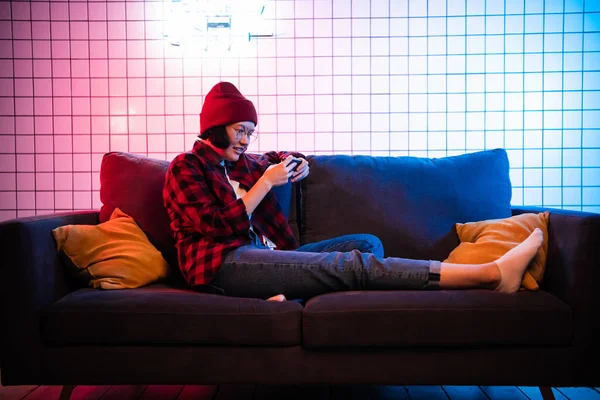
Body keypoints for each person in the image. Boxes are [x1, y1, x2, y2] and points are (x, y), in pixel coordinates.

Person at [163, 81, 543, 302]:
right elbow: (215, 226)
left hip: (261, 256)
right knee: (353, 266)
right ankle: (488, 275)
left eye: (250, 131)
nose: (246, 140)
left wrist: (297, 163)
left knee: (365, 243)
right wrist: (265, 184)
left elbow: (278, 157)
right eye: (239, 130)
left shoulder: (244, 165)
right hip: (220, 265)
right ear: (215, 126)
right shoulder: (187, 167)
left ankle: (288, 294)